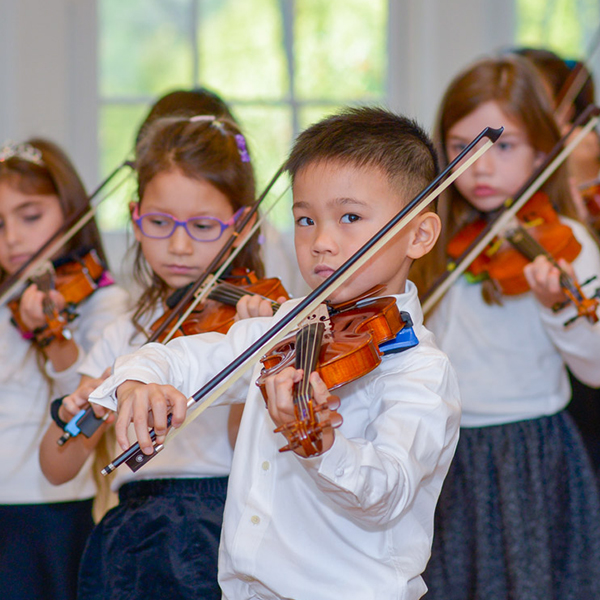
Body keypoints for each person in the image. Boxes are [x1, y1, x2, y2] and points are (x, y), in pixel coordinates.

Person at [89, 106, 462, 600]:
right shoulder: (282, 329)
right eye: (305, 219)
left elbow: (388, 491)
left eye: (350, 217)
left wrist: (324, 444)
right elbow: (185, 357)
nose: (322, 242)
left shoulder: (420, 369)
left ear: (419, 234)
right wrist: (138, 381)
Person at [39, 114, 269, 600]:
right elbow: (57, 469)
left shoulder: (253, 320)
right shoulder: (121, 333)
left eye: (204, 226)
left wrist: (254, 346)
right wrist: (77, 415)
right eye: (160, 223)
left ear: (242, 226)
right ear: (135, 215)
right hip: (133, 532)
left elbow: (247, 446)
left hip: (224, 525)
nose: (179, 245)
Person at [411, 55, 600, 599]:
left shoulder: (566, 242)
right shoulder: (431, 243)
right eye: (460, 147)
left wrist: (556, 306)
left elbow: (594, 367)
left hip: (530, 453)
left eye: (504, 146)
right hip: (442, 452)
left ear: (544, 149)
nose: (480, 167)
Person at [0, 139, 129, 600]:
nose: (12, 237)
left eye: (30, 216)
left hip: (50, 510)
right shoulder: (6, 301)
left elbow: (81, 402)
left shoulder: (102, 302)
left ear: (69, 210)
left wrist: (55, 334)